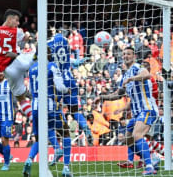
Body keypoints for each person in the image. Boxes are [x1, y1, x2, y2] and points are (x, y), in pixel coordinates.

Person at [94, 46, 158, 175]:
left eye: (128, 54)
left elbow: (146, 74)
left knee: (137, 135)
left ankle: (150, 165)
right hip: (136, 113)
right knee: (128, 139)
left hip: (147, 109)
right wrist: (102, 97)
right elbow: (117, 94)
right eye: (124, 54)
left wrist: (132, 79)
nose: (125, 56)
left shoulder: (137, 68)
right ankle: (138, 160)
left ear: (134, 56)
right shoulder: (124, 76)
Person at [23, 52, 72, 177]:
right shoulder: (51, 66)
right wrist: (67, 90)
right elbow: (60, 87)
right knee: (65, 132)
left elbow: (29, 89)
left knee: (40, 137)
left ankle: (29, 159)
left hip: (35, 106)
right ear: (48, 53)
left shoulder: (32, 68)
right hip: (50, 105)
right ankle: (66, 168)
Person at [48, 33, 93, 145]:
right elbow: (73, 61)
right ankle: (85, 126)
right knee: (75, 111)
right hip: (70, 80)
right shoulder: (66, 44)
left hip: (57, 82)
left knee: (56, 108)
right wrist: (81, 61)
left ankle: (64, 128)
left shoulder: (48, 45)